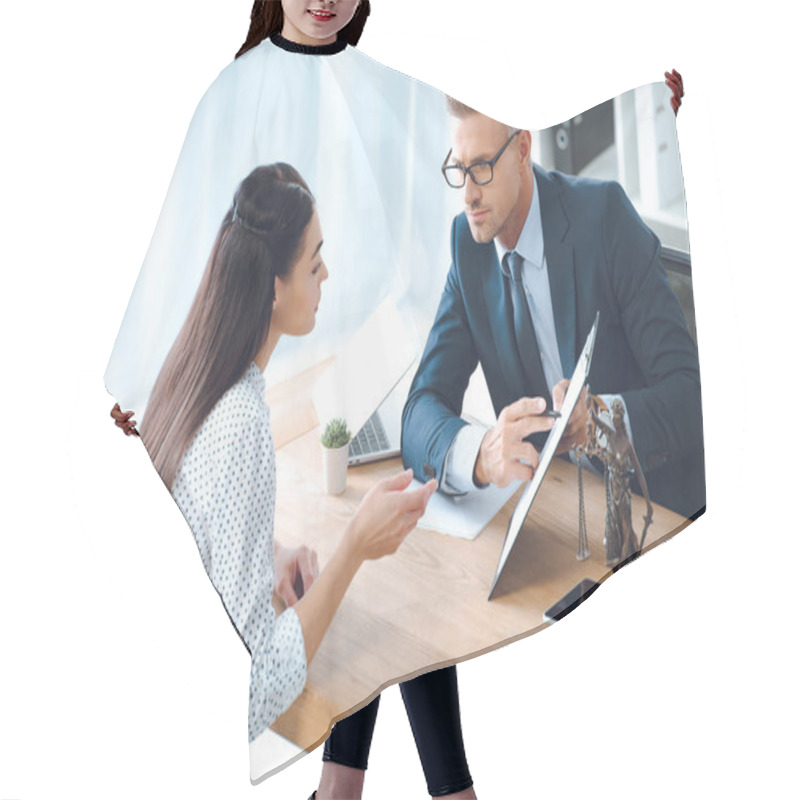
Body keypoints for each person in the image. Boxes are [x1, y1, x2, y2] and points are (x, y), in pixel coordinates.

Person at [109, 3, 476, 797]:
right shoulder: (235, 92)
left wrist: (648, 113)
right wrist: (147, 390)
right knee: (366, 565)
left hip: (356, 386)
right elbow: (188, 241)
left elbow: (476, 168)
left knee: (382, 566)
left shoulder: (383, 90)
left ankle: (352, 785)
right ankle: (412, 789)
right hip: (283, 407)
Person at [140, 161, 438, 747]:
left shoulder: (188, 372)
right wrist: (355, 546)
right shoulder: (244, 424)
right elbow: (250, 695)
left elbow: (199, 523)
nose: (327, 274)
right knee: (371, 651)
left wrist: (267, 553)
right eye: (314, 261)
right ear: (275, 288)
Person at [401, 98, 705, 520]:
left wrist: (600, 422)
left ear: (523, 150)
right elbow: (420, 409)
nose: (469, 195)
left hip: (652, 508)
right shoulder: (469, 246)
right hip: (557, 514)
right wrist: (483, 455)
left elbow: (691, 396)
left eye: (483, 168)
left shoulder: (604, 217)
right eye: (459, 169)